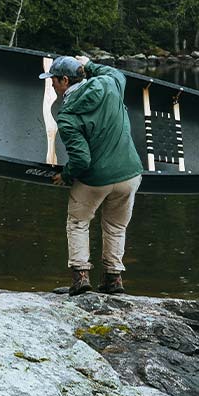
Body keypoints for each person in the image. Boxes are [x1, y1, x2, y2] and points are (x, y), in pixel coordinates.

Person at [39, 55, 143, 296]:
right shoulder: (110, 84)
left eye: (53, 80)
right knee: (116, 226)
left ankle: (80, 278)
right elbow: (117, 74)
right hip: (129, 175)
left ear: (65, 80)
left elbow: (81, 160)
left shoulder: (67, 116)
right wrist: (89, 65)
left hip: (95, 179)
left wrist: (65, 176)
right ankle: (113, 279)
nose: (52, 85)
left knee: (78, 223)